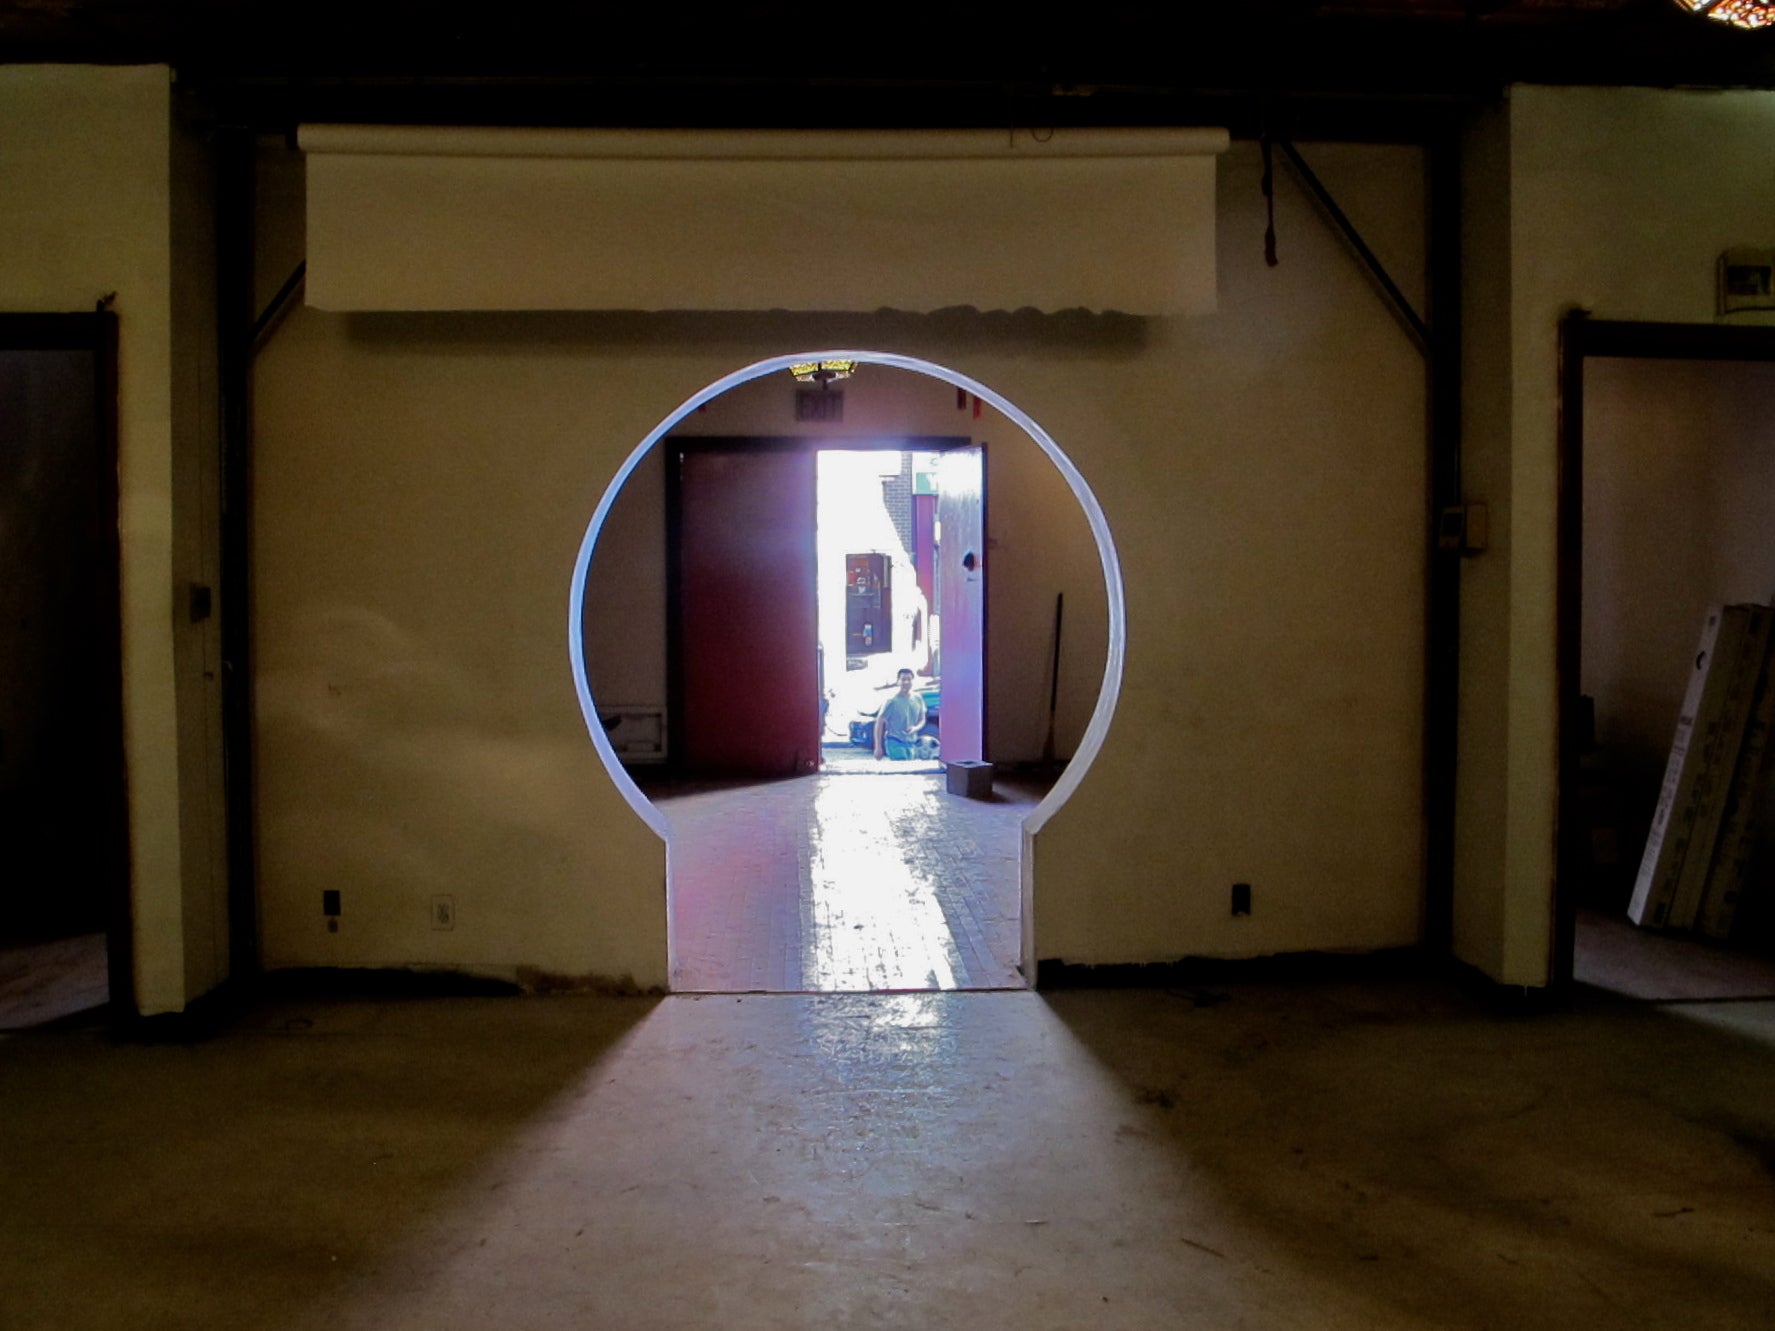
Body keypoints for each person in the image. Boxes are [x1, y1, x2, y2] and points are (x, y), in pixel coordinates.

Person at [874, 668, 939, 760]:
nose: (906, 682)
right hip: (895, 742)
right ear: (898, 682)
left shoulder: (918, 698)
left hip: (911, 743)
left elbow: (922, 719)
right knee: (901, 763)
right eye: (903, 679)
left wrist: (915, 728)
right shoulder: (892, 701)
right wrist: (878, 747)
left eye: (909, 679)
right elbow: (879, 722)